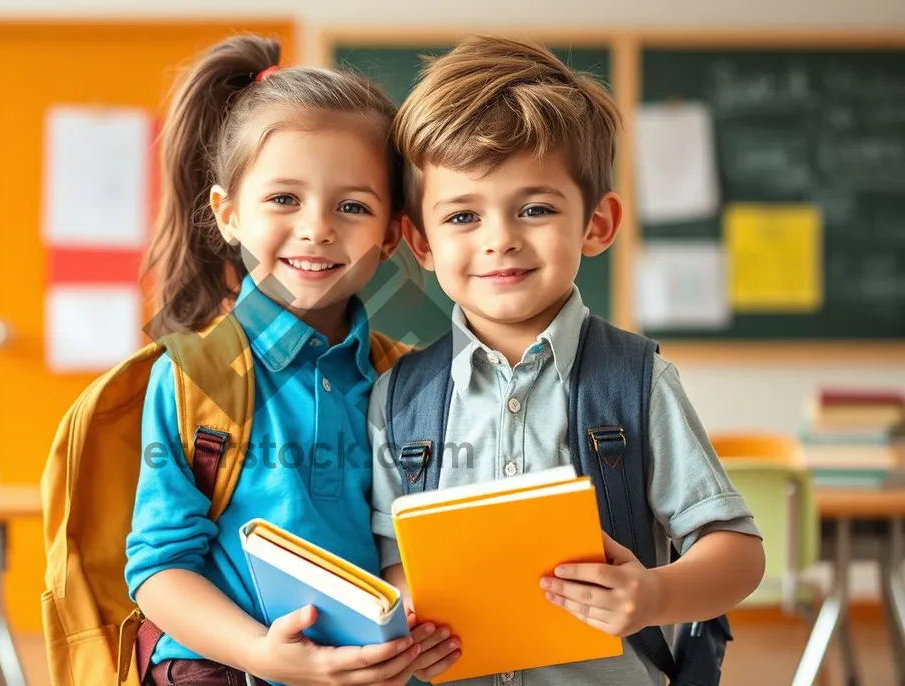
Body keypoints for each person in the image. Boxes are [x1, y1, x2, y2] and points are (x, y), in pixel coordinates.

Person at [370, 35, 766, 685]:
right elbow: (391, 557)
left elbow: (738, 552)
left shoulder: (637, 383)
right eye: (463, 215)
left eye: (534, 208)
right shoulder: (399, 397)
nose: (500, 238)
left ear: (597, 225)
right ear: (421, 242)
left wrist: (656, 595)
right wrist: (404, 598)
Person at [125, 35, 461, 686]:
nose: (317, 228)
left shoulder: (414, 380)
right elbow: (159, 571)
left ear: (392, 231)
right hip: (219, 668)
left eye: (353, 206)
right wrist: (261, 654)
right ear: (227, 214)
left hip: (373, 671)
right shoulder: (196, 374)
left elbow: (420, 549)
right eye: (284, 199)